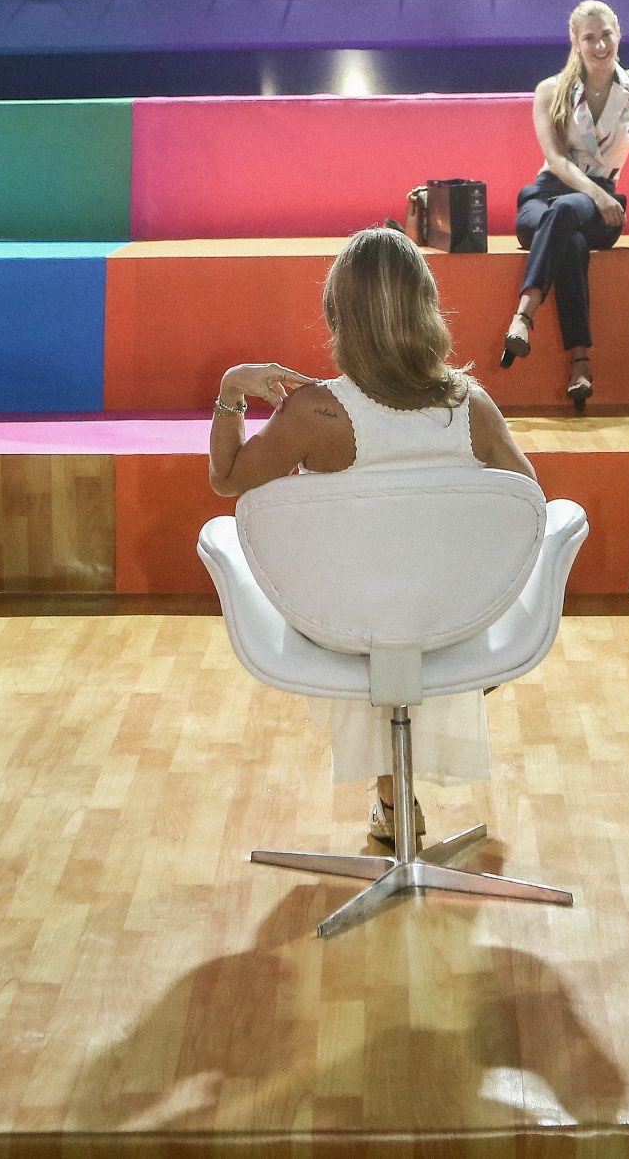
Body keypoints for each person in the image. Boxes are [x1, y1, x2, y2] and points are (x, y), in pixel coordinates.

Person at [209, 225, 537, 847]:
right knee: (406, 600)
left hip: (340, 622)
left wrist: (231, 392)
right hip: (454, 622)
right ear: (427, 307)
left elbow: (226, 480)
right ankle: (394, 798)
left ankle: (392, 799)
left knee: (373, 602)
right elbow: (527, 508)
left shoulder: (316, 412)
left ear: (338, 314)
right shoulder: (472, 407)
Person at [502, 0, 629, 413]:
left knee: (567, 216)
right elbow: (556, 161)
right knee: (569, 239)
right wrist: (596, 194)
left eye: (606, 35)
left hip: (601, 207)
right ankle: (581, 363)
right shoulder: (550, 91)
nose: (600, 45)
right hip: (547, 196)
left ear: (619, 34)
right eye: (590, 38)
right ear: (575, 42)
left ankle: (523, 316)